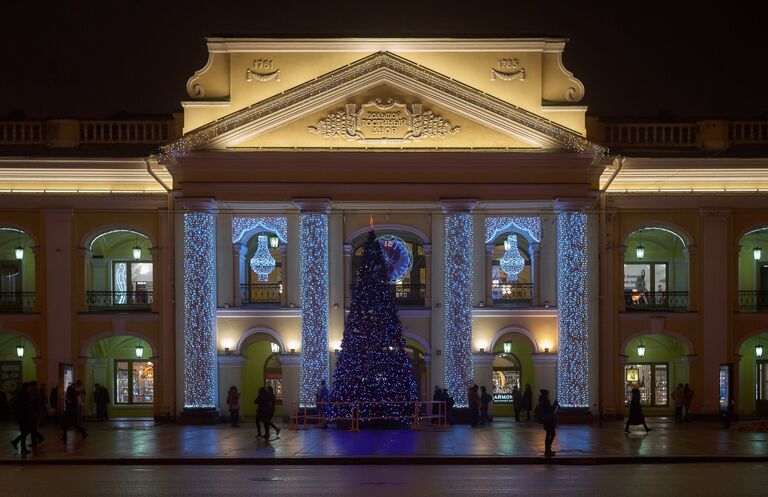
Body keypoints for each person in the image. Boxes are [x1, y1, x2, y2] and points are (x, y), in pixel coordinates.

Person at [11, 383, 33, 455]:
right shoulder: (24, 396)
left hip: (23, 417)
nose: (30, 388)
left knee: (25, 432)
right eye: (29, 387)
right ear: (26, 388)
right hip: (24, 417)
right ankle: (22, 448)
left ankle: (16, 442)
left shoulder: (23, 395)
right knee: (25, 432)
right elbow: (24, 408)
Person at [535, 389, 559, 457]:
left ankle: (548, 450)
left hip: (547, 421)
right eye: (548, 394)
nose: (549, 396)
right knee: (552, 434)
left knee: (549, 434)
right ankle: (548, 450)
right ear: (546, 395)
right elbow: (550, 410)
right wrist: (555, 403)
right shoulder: (545, 402)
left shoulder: (542, 401)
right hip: (549, 421)